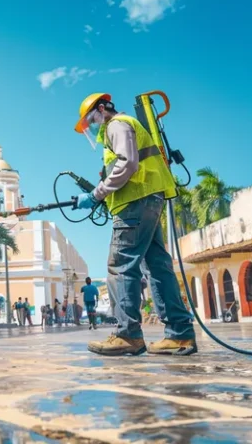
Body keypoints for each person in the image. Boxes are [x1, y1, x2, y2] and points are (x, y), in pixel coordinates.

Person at [73, 93, 196, 356]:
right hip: (148, 199)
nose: (91, 127)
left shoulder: (116, 125)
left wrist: (96, 194)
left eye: (90, 120)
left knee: (120, 266)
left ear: (102, 109)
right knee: (158, 268)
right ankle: (179, 335)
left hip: (135, 202)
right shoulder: (124, 126)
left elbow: (127, 163)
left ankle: (127, 334)